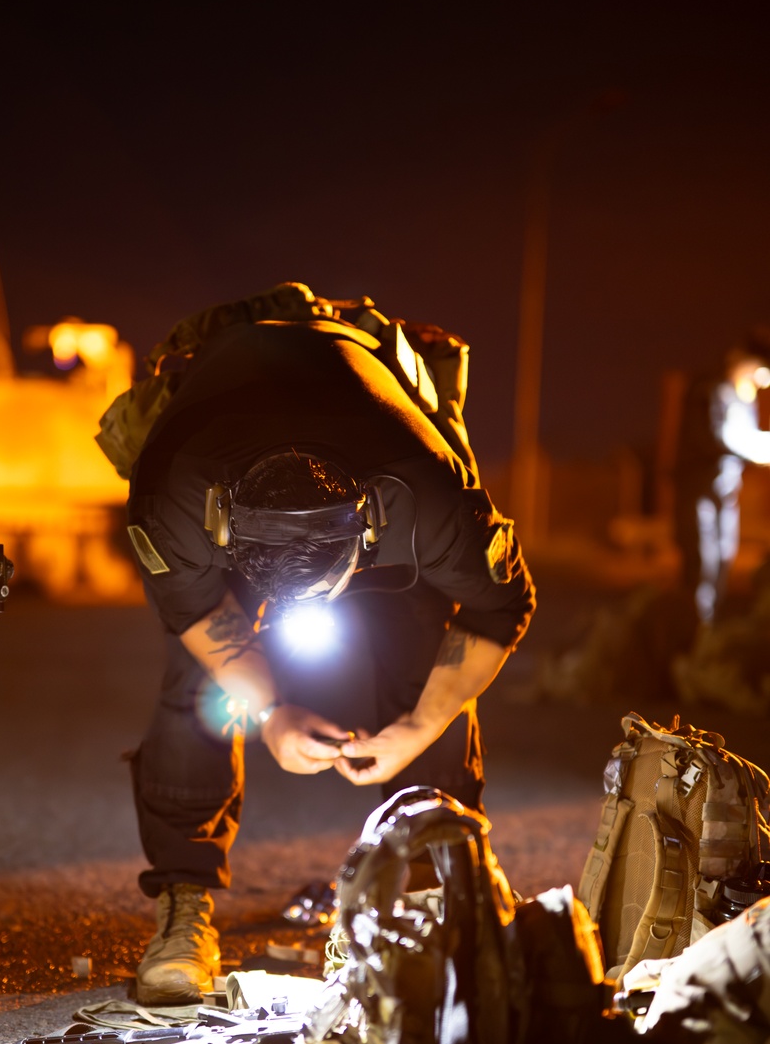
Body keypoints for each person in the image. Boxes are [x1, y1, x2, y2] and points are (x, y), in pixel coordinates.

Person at [120, 295, 535, 1004]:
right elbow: (195, 609)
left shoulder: (430, 497)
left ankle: (437, 895)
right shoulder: (178, 493)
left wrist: (414, 730)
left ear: (372, 528)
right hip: (225, 426)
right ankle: (183, 906)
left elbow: (501, 607)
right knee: (200, 682)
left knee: (424, 654)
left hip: (375, 444)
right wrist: (272, 709)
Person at [673, 331, 770, 624]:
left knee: (722, 563)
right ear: (745, 361)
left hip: (726, 495)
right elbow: (717, 437)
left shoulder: (745, 398)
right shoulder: (710, 390)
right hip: (698, 493)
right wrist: (757, 449)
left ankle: (707, 635)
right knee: (701, 567)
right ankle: (692, 640)